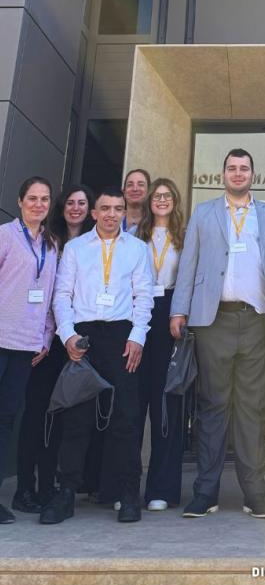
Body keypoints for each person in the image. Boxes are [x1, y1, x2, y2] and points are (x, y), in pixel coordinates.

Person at [170, 148, 265, 519]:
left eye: (244, 169)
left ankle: (255, 492)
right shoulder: (204, 213)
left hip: (258, 321)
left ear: (253, 174)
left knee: (252, 410)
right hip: (213, 321)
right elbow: (188, 264)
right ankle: (204, 492)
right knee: (212, 407)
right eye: (232, 168)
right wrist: (179, 309)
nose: (238, 174)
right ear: (222, 174)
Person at [39, 187, 154, 525]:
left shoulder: (137, 248)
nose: (111, 215)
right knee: (76, 419)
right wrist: (68, 334)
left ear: (123, 212)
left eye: (118, 209)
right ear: (93, 213)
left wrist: (137, 338)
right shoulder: (75, 249)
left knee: (126, 418)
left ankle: (129, 492)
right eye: (105, 208)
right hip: (82, 335)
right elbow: (62, 294)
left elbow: (143, 296)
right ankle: (66, 493)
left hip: (121, 336)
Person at [12, 184, 94, 514]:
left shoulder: (94, 243)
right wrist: (44, 336)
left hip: (76, 340)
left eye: (82, 203)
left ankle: (50, 486)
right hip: (47, 341)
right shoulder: (48, 240)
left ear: (90, 210)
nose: (75, 208)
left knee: (63, 419)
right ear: (60, 208)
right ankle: (24, 489)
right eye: (70, 203)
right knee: (35, 416)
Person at [0, 176, 58, 525]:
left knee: (6, 422)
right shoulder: (5, 236)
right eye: (32, 198)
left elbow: (49, 296)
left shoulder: (50, 245)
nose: (38, 204)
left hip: (25, 347)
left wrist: (46, 337)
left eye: (44, 199)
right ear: (20, 201)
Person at [137, 177, 185, 512]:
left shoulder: (184, 238)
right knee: (136, 401)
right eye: (157, 196)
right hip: (138, 313)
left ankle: (163, 488)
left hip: (172, 314)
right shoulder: (135, 236)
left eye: (167, 196)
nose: (162, 200)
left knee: (167, 404)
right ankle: (123, 486)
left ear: (175, 200)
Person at [123, 168, 151, 233]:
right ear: (124, 193)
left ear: (149, 191)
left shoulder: (155, 225)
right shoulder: (113, 221)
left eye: (141, 184)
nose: (135, 189)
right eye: (130, 185)